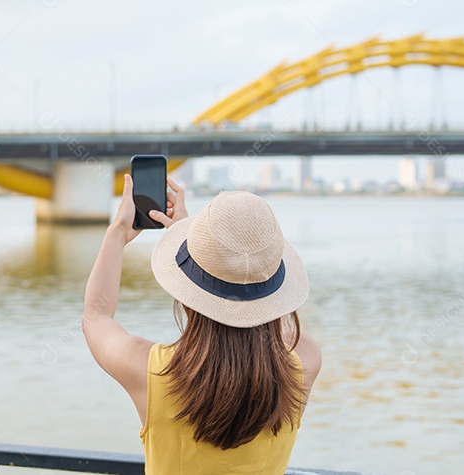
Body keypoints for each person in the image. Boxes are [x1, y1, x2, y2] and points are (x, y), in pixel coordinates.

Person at [83, 174, 322, 474]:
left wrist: (118, 232)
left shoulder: (150, 371)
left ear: (187, 294)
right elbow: (266, 314)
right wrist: (208, 254)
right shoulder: (304, 360)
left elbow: (96, 315)